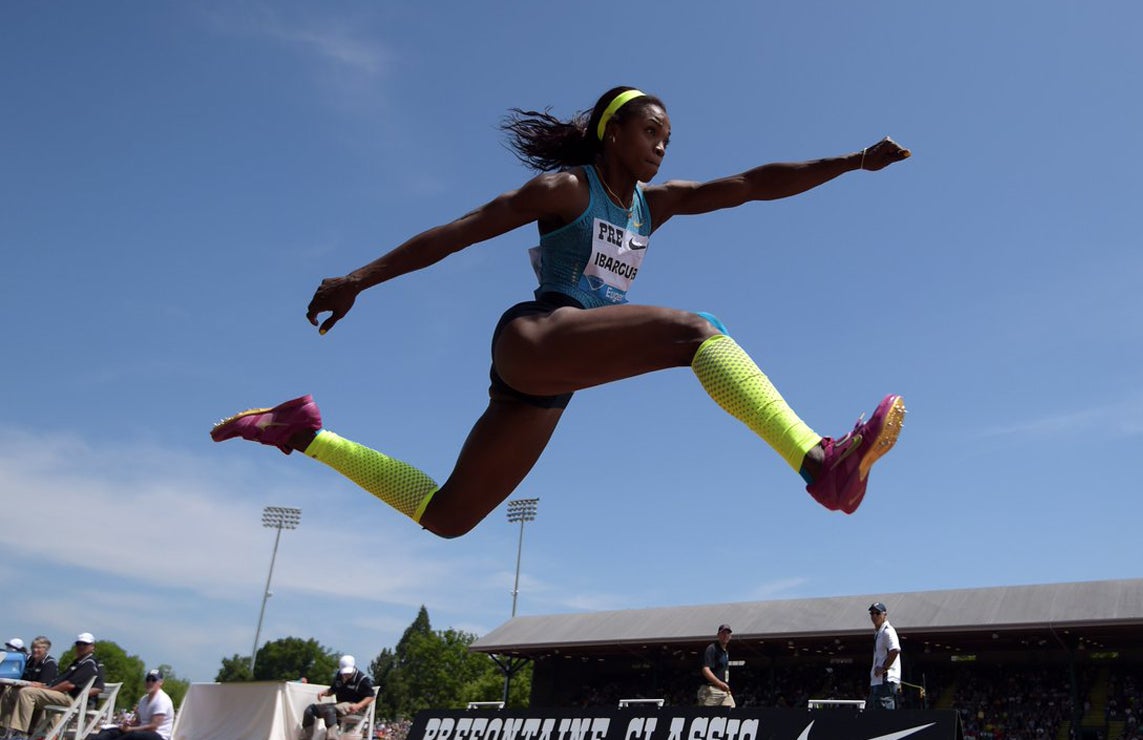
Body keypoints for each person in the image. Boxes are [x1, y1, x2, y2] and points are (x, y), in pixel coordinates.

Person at [211, 86, 910, 539]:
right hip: (534, 337)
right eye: (651, 132)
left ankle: (302, 432)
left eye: (668, 137)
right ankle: (820, 461)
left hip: (552, 383)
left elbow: (753, 185)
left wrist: (851, 161)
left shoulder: (653, 205)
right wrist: (359, 279)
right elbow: (462, 229)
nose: (663, 146)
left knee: (449, 516)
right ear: (612, 134)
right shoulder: (565, 189)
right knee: (695, 332)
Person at [0, 632, 99, 739]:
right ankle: (4, 728)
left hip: (70, 698)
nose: (81, 646)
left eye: (85, 644)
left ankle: (20, 733)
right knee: (10, 691)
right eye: (79, 644)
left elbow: (69, 685)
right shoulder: (78, 662)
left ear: (92, 646)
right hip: (59, 694)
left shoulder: (89, 663)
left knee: (26, 693)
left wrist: (48, 688)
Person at [298, 655, 375, 740]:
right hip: (339, 705)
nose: (346, 674)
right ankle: (305, 737)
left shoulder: (362, 679)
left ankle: (332, 738)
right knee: (310, 710)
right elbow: (333, 690)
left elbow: (371, 696)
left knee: (330, 710)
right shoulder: (339, 675)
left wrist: (359, 705)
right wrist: (324, 693)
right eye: (344, 672)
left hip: (354, 705)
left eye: (348, 673)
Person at [84, 669, 173, 740]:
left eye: (153, 680)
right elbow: (138, 721)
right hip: (140, 732)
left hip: (158, 736)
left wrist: (131, 729)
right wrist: (127, 725)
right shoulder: (143, 699)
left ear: (161, 682)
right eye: (148, 679)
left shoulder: (162, 700)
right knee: (108, 731)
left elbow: (153, 727)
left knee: (133, 736)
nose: (150, 682)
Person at [867, 602, 901, 710]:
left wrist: (884, 668)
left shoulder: (888, 631)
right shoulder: (879, 632)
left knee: (884, 712)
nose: (874, 616)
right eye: (872, 613)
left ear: (884, 615)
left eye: (877, 613)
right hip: (878, 680)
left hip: (886, 680)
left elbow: (895, 650)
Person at [697, 624, 735, 707]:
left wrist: (725, 686)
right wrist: (719, 683)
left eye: (728, 633)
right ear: (718, 635)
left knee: (732, 710)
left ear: (730, 636)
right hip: (711, 689)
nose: (726, 635)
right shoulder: (712, 648)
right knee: (706, 716)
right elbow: (705, 670)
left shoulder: (725, 652)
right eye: (723, 633)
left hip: (724, 691)